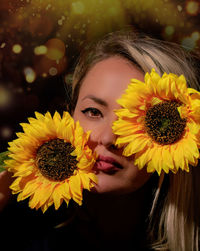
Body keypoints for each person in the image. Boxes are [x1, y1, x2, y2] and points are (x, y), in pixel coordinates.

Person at [0, 29, 200, 251]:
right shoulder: (18, 229)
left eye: (143, 122)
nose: (108, 138)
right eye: (93, 112)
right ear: (70, 115)